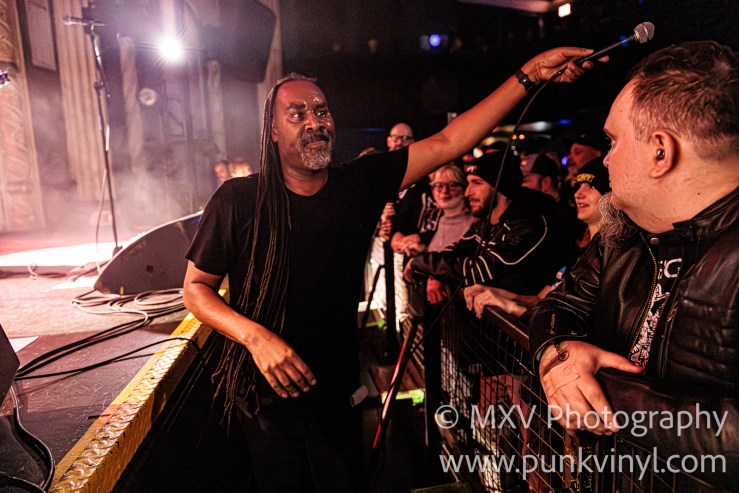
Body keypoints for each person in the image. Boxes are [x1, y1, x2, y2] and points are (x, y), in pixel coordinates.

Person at [183, 46, 597, 492]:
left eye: (321, 111)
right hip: (264, 401)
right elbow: (196, 290)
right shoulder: (238, 201)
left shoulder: (357, 185)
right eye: (297, 114)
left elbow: (449, 142)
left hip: (336, 395)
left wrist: (530, 73)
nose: (314, 121)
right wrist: (257, 338)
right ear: (273, 131)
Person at [528, 41, 739, 490]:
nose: (605, 158)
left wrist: (597, 388)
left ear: (661, 152)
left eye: (613, 141)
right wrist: (556, 354)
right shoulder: (624, 235)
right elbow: (557, 307)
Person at [464, 159, 609, 318]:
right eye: (578, 186)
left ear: (610, 195)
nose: (578, 194)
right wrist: (496, 293)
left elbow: (576, 322)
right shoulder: (573, 247)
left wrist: (513, 309)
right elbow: (540, 300)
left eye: (591, 186)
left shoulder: (611, 255)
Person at [404, 151, 559, 296]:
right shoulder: (486, 223)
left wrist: (421, 262)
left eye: (476, 183)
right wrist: (434, 273)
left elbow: (479, 269)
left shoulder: (528, 225)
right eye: (468, 183)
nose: (467, 192)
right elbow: (456, 250)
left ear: (500, 187)